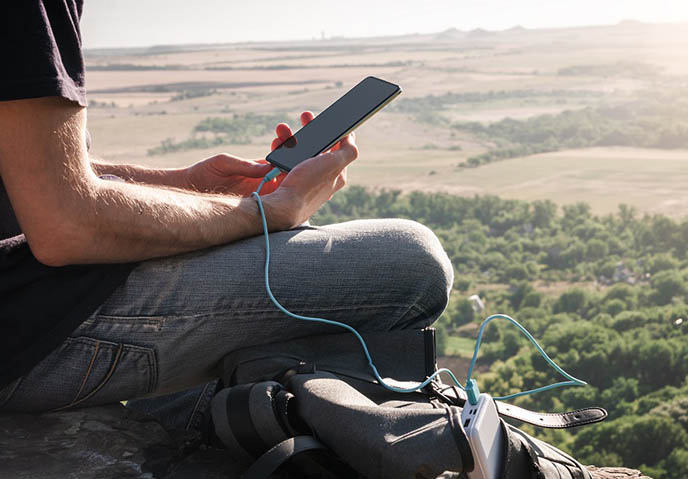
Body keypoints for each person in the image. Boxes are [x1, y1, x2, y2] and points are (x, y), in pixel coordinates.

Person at [0, 0, 453, 438]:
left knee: (242, 243)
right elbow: (67, 227)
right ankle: (183, 439)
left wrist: (186, 185)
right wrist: (268, 212)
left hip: (27, 292)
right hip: (25, 324)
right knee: (412, 265)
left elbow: (35, 170)